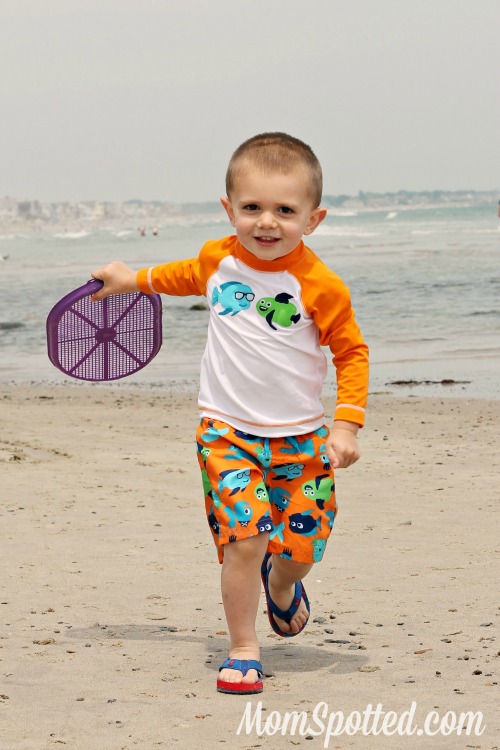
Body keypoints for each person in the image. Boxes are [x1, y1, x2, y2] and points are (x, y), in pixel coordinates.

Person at [91, 132, 369, 695]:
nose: (267, 222)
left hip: (301, 442)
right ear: (230, 209)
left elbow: (352, 353)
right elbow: (178, 276)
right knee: (245, 539)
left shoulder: (321, 287)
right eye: (252, 208)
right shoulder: (218, 260)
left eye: (284, 210)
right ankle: (243, 646)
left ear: (312, 219)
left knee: (301, 546)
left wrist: (345, 424)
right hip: (226, 433)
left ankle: (284, 587)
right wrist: (131, 280)